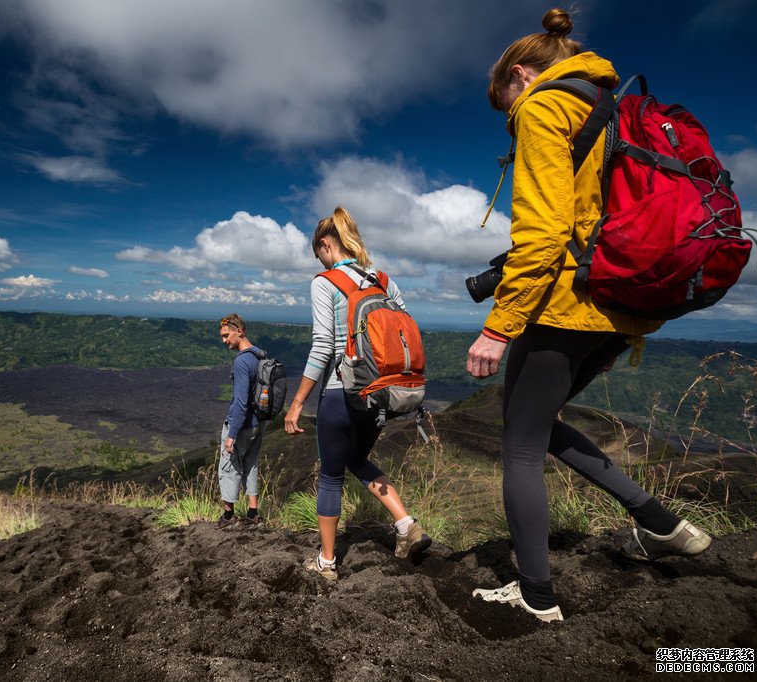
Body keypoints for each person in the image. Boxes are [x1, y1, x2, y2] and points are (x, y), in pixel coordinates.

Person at [466, 8, 711, 622]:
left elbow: (544, 231)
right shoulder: (612, 107)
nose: (509, 122)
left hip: (568, 303)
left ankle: (536, 595)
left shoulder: (546, 107)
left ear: (521, 76)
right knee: (538, 423)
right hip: (621, 306)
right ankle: (660, 524)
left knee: (519, 443)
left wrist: (500, 325)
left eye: (505, 106)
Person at [285, 206, 430, 581]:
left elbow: (322, 347)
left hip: (341, 392)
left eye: (317, 252)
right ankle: (406, 525)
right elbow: (406, 330)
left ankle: (327, 562)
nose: (318, 259)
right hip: (381, 394)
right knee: (357, 458)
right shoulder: (383, 280)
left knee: (332, 475)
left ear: (326, 244)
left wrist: (298, 402)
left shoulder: (325, 281)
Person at [215, 314, 265, 529]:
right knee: (251, 465)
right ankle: (253, 514)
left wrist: (232, 434)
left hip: (242, 425)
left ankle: (229, 517)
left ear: (240, 331)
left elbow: (241, 402)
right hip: (258, 423)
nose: (224, 340)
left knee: (229, 467)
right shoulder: (260, 355)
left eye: (227, 335)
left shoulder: (243, 360)